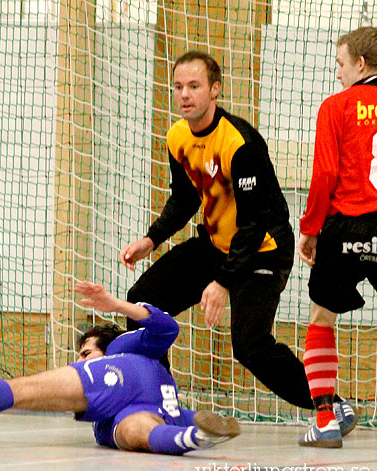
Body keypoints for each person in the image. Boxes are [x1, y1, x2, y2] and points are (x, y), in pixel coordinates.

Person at [117, 51, 355, 433]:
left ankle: (331, 405)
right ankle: (161, 403)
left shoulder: (240, 142)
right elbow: (185, 197)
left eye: (194, 86)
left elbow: (253, 222)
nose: (184, 95)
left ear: (215, 90)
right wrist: (152, 237)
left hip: (263, 248)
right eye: (178, 87)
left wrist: (223, 282)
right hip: (218, 245)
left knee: (250, 345)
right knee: (141, 304)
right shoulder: (177, 136)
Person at [0, 281, 240, 454]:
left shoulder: (122, 347)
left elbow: (167, 327)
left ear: (103, 347)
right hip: (153, 412)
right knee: (136, 434)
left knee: (19, 391)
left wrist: (117, 305)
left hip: (116, 387)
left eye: (84, 353)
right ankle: (195, 439)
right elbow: (185, 410)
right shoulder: (160, 382)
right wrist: (201, 422)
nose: (78, 362)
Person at [296, 27, 377, 448]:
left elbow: (325, 175)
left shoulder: (337, 106)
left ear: (360, 65)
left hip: (346, 225)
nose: (339, 74)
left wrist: (309, 230)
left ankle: (325, 419)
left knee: (322, 320)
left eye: (341, 65)